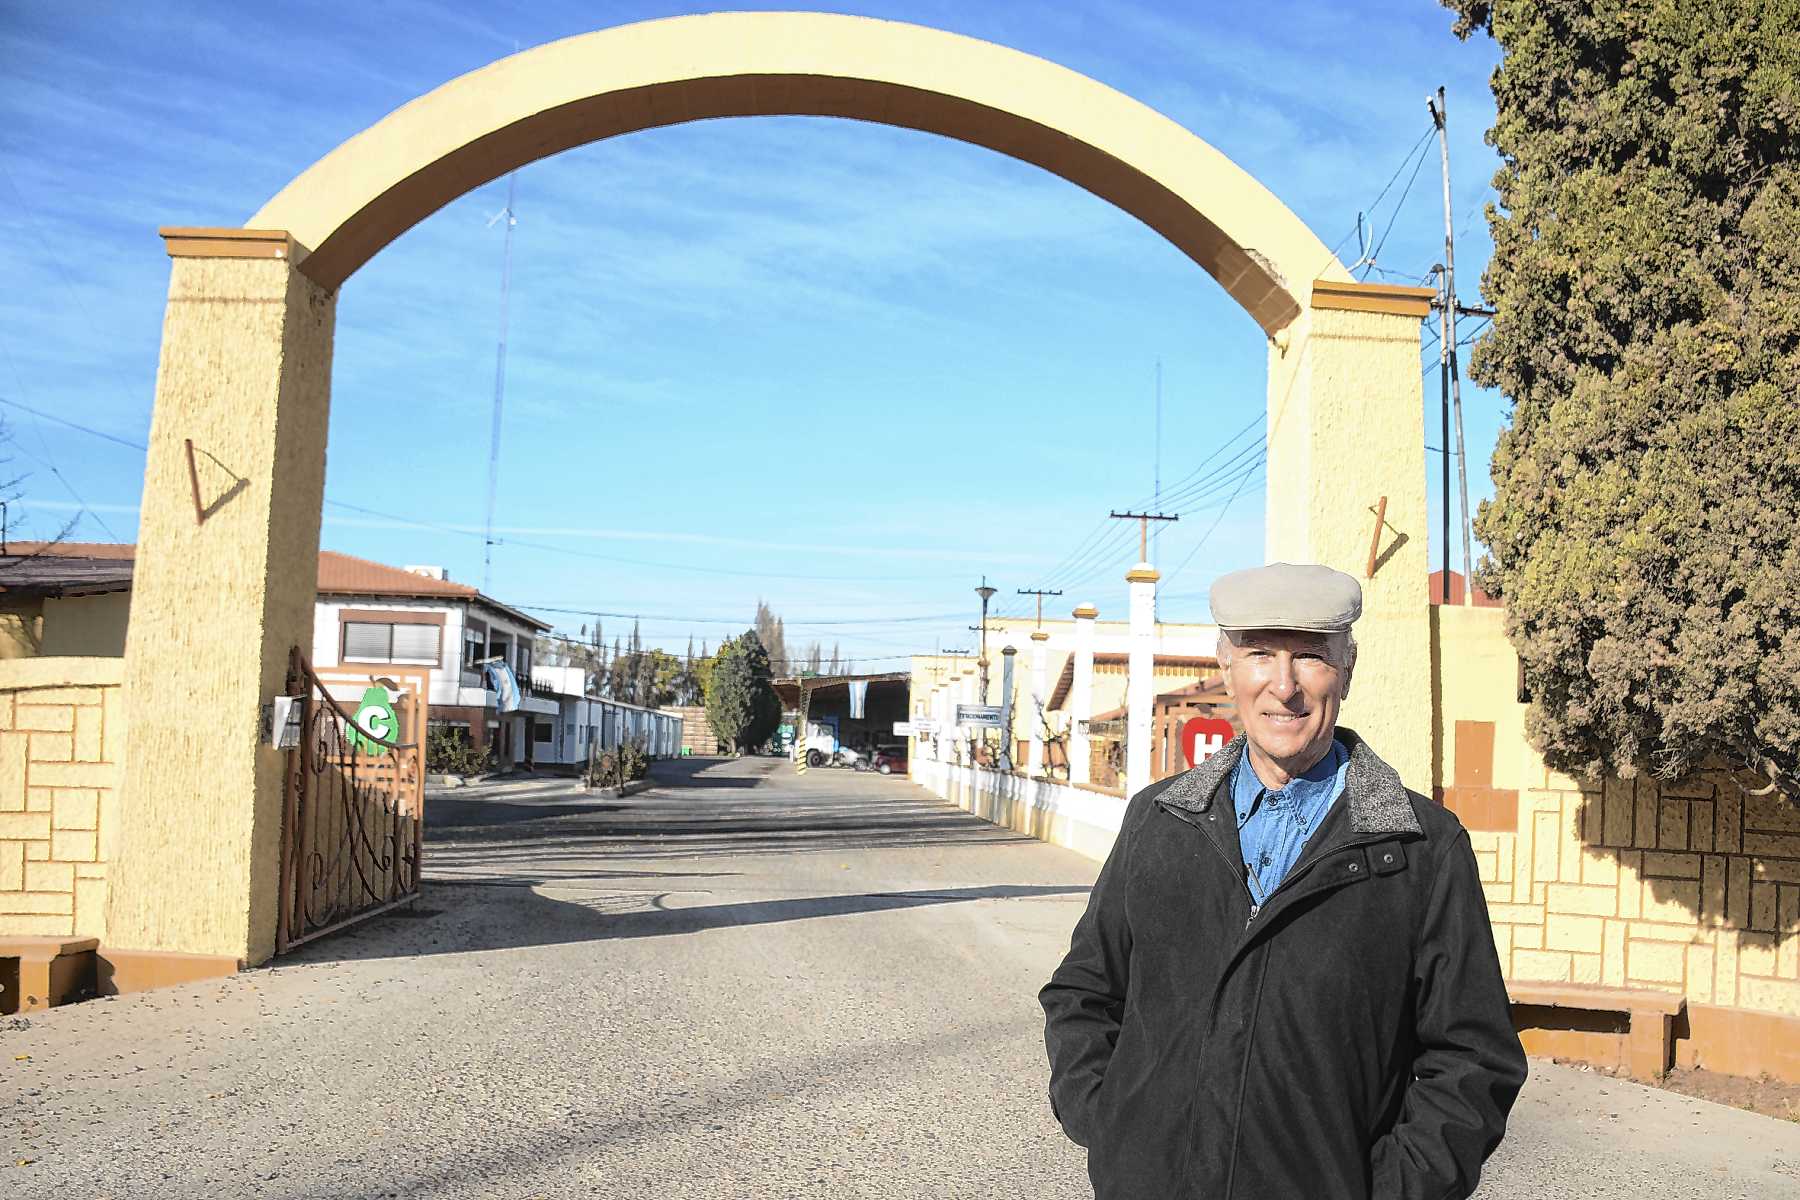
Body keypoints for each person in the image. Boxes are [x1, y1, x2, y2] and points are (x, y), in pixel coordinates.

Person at [1040, 562, 1525, 1199]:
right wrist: (1113, 1126)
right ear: (1226, 665)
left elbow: (1472, 1056)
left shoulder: (1420, 849)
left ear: (1347, 670)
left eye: (1311, 656)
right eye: (1260, 654)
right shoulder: (1159, 821)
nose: (1284, 686)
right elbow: (1083, 991)